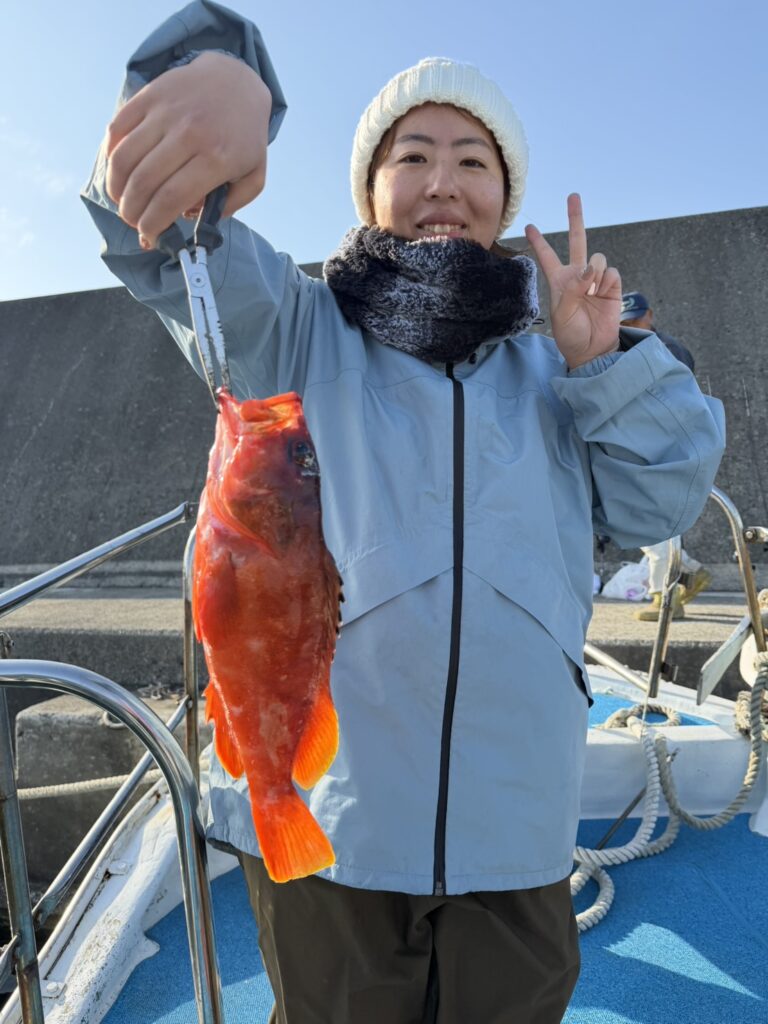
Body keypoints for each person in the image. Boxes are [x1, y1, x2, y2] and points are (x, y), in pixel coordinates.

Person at [83, 4, 725, 1021]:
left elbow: (663, 497)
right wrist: (216, 66)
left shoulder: (563, 366)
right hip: (333, 824)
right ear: (371, 188)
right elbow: (156, 235)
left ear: (505, 194)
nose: (442, 183)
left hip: (518, 834)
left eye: (473, 160)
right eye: (412, 155)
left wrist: (602, 364)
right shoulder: (293, 327)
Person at [620, 291, 712, 621]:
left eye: (636, 320)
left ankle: (666, 598)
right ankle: (687, 571)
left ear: (650, 315)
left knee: (655, 519)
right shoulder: (630, 345)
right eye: (626, 322)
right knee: (643, 517)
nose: (632, 326)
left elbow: (674, 399)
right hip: (643, 440)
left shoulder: (667, 348)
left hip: (664, 442)